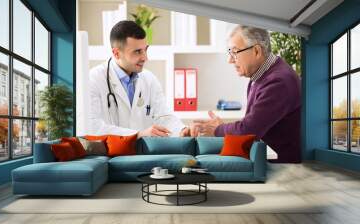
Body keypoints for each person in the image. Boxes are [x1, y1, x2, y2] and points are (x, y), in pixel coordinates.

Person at [191, 25, 301, 163]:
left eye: (235, 52)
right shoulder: (259, 77)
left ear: (256, 51)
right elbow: (251, 125)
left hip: (284, 169)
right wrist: (222, 128)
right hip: (267, 160)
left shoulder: (278, 82)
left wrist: (218, 129)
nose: (230, 60)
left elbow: (248, 131)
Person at [87, 20, 190, 138]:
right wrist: (138, 134)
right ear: (116, 53)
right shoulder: (93, 79)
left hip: (142, 153)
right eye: (137, 52)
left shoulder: (149, 79)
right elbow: (93, 127)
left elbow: (163, 116)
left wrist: (181, 130)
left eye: (145, 49)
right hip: (111, 154)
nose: (145, 58)